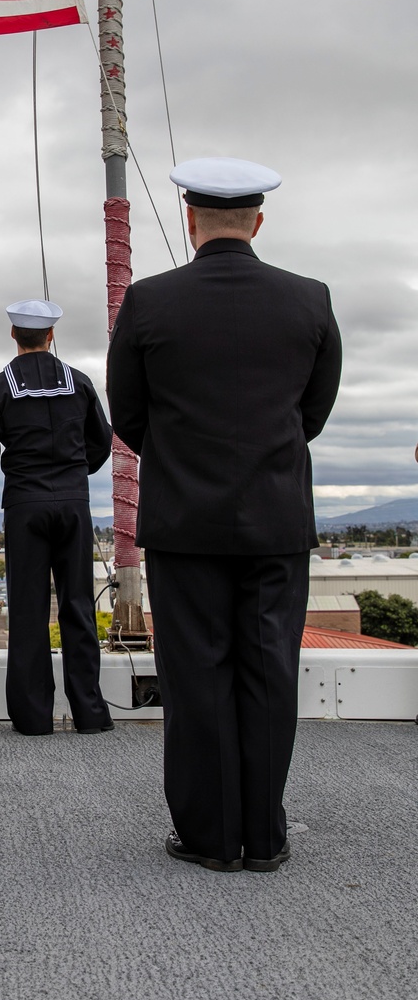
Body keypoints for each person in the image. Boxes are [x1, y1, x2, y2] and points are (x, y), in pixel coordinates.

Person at [107, 158, 342, 873]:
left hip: (185, 519)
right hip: (275, 516)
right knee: (270, 671)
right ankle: (264, 837)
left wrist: (184, 461)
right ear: (258, 222)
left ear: (190, 218)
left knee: (196, 675)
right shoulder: (310, 299)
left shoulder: (148, 302)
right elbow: (313, 414)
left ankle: (209, 837)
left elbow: (130, 416)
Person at [0, 299, 114, 735]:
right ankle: (90, 713)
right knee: (78, 607)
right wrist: (73, 474)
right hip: (73, 505)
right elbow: (102, 442)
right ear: (51, 336)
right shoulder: (79, 382)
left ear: (14, 335)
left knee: (28, 611)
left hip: (25, 507)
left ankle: (33, 718)